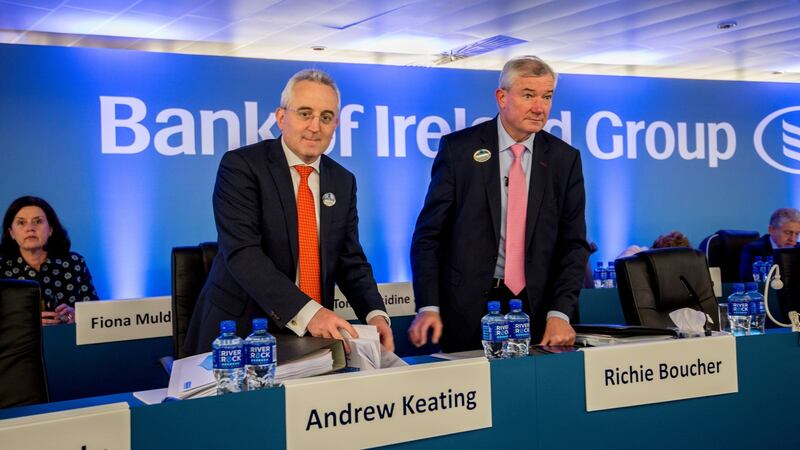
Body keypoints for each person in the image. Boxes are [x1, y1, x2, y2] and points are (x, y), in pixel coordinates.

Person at [184, 69, 394, 355]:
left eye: (326, 117)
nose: (315, 126)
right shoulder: (241, 166)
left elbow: (350, 259)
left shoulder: (343, 181)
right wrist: (308, 313)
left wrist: (375, 313)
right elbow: (243, 253)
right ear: (281, 118)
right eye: (305, 113)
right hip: (240, 335)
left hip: (314, 340)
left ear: (336, 125)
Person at [408, 55, 590, 352]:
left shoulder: (564, 159)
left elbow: (574, 244)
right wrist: (428, 305)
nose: (539, 107)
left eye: (547, 96)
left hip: (541, 313)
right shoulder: (459, 150)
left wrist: (560, 313)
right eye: (529, 95)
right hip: (468, 310)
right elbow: (429, 236)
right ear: (501, 97)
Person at [1, 196, 98, 325]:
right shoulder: (2, 268)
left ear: (50, 229)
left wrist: (77, 316)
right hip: (17, 343)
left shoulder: (74, 263)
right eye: (21, 223)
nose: (30, 228)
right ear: (11, 232)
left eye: (38, 221)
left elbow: (96, 313)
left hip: (66, 340)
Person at [739, 208, 800, 281]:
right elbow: (749, 280)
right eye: (787, 232)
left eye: (797, 234)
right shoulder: (754, 250)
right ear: (771, 230)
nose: (793, 239)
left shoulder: (798, 248)